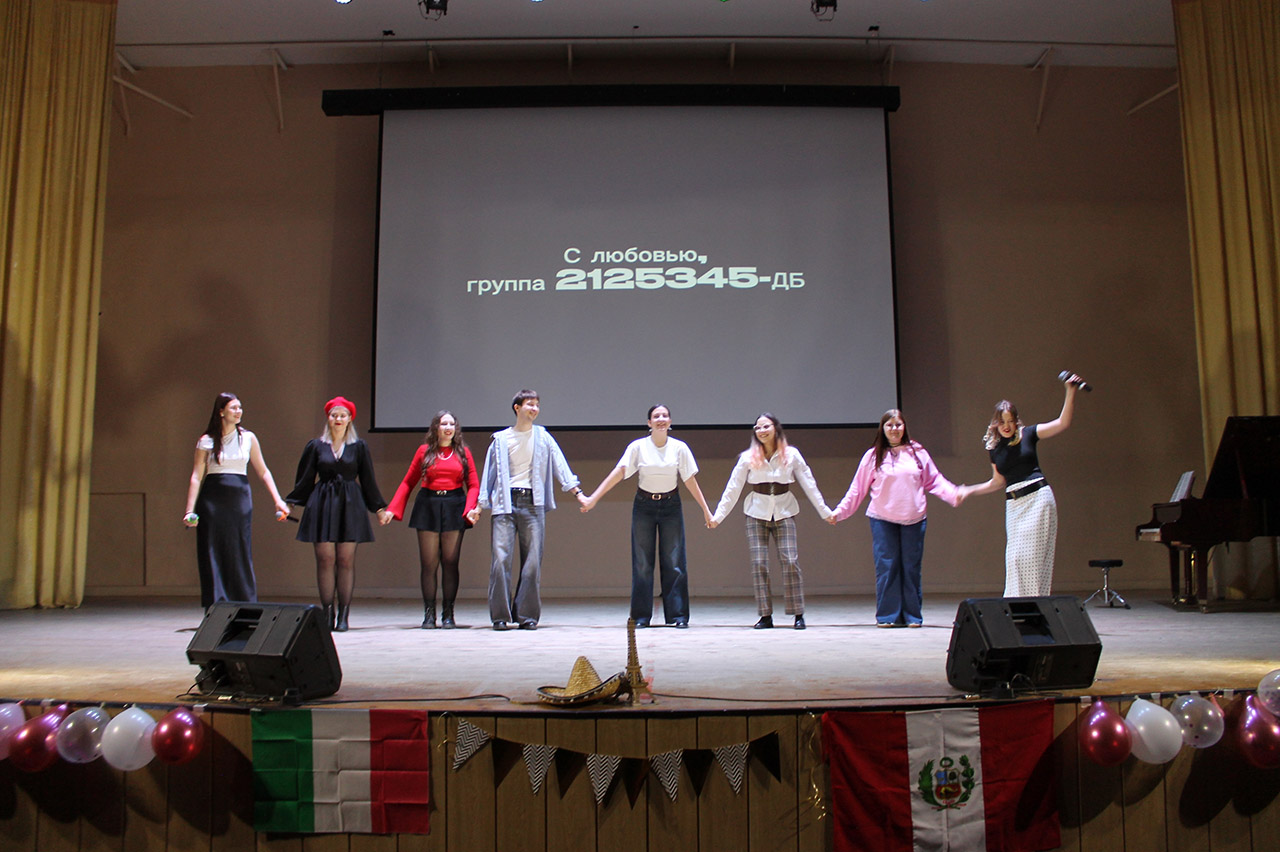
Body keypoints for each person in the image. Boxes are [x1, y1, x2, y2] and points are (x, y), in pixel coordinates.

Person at [580, 404, 713, 629]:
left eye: (665, 416)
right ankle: (641, 617)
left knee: (674, 561)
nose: (661, 419)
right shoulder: (638, 447)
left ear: (670, 422)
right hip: (644, 506)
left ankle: (678, 616)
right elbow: (619, 472)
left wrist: (706, 510)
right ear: (649, 423)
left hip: (671, 506)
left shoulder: (679, 448)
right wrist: (594, 498)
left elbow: (690, 480)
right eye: (656, 416)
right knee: (642, 563)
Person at [829, 409, 962, 627]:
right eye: (889, 425)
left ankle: (912, 616)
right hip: (882, 518)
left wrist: (953, 494)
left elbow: (934, 480)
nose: (894, 429)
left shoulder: (917, 452)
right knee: (887, 566)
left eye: (898, 424)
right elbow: (857, 489)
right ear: (882, 429)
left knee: (911, 567)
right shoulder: (873, 456)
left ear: (904, 427)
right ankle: (888, 616)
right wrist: (839, 512)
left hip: (914, 518)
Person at [958, 374, 1084, 597]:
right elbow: (998, 482)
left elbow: (1062, 423)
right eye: (1002, 422)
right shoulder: (994, 447)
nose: (1006, 426)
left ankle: (1033, 606)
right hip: (1015, 506)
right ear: (996, 423)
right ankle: (1017, 606)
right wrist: (969, 490)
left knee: (1032, 559)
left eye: (1010, 421)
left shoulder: (1028, 434)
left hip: (1038, 498)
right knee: (1015, 559)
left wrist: (1070, 391)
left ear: (1016, 421)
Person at [708, 413, 831, 630]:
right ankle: (765, 615)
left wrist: (825, 512)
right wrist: (717, 517)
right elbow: (733, 488)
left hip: (784, 511)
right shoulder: (748, 457)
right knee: (759, 563)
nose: (762, 431)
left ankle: (798, 613)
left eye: (766, 426)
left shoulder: (791, 454)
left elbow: (809, 483)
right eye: (757, 428)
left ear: (776, 428)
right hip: (756, 513)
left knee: (790, 560)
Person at [478, 389, 586, 630]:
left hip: (532, 503)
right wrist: (479, 505)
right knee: (500, 560)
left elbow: (560, 466)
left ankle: (526, 615)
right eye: (530, 404)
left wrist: (577, 493)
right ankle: (500, 616)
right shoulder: (501, 439)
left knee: (533, 562)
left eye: (537, 404)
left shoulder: (543, 437)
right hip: (505, 503)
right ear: (517, 407)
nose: (534, 409)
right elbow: (489, 474)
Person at [284, 396, 388, 632]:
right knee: (325, 559)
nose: (338, 419)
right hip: (322, 504)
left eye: (343, 415)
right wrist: (291, 504)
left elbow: (368, 480)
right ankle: (327, 612)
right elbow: (304, 479)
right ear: (328, 418)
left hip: (350, 505)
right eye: (334, 415)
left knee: (345, 560)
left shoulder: (359, 447)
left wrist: (379, 509)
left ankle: (343, 615)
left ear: (350, 419)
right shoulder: (315, 446)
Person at [183, 393, 290, 609]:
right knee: (212, 550)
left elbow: (263, 471)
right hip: (212, 499)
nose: (238, 411)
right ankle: (216, 606)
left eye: (240, 407)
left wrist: (278, 500)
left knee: (238, 549)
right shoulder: (206, 440)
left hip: (239, 499)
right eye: (233, 408)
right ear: (221, 412)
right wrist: (189, 510)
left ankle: (244, 604)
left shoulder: (248, 438)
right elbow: (196, 476)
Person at [386, 410, 481, 629]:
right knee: (429, 564)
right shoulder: (424, 451)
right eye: (443, 424)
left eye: (451, 424)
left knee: (450, 562)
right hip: (428, 505)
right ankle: (429, 614)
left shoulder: (463, 452)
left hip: (454, 505)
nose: (448, 428)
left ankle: (448, 614)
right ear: (436, 428)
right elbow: (408, 482)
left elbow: (474, 484)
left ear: (456, 429)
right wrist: (393, 509)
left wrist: (470, 509)